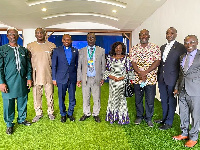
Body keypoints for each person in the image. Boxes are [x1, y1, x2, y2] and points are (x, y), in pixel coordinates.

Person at [0, 27, 32, 135]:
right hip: (8, 81)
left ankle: (22, 119)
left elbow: (28, 66)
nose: (13, 36)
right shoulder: (2, 49)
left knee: (23, 100)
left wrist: (29, 78)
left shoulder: (23, 50)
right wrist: (1, 82)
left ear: (18, 36)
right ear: (7, 36)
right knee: (9, 104)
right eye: (10, 34)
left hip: (22, 81)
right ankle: (9, 124)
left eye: (15, 34)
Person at [156, 27, 186, 130]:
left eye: (172, 33)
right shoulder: (162, 47)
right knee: (163, 99)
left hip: (173, 79)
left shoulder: (181, 47)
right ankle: (164, 118)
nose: (169, 35)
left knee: (171, 100)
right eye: (167, 33)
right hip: (161, 78)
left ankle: (169, 122)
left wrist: (179, 82)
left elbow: (182, 66)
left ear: (176, 34)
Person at [129, 29, 161, 127]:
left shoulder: (155, 47)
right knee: (138, 99)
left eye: (146, 34)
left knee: (150, 99)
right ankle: (139, 116)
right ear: (139, 36)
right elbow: (133, 62)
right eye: (142, 35)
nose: (144, 36)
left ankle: (148, 118)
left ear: (148, 36)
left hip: (150, 78)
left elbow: (157, 61)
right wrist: (139, 72)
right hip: (137, 78)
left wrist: (145, 72)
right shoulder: (134, 48)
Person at [173, 35, 200, 148]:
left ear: (197, 42)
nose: (189, 45)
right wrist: (176, 87)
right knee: (183, 113)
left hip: (195, 90)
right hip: (182, 89)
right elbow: (181, 74)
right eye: (186, 43)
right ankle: (184, 133)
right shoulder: (182, 56)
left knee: (195, 114)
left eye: (191, 42)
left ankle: (193, 137)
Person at [27, 28, 56, 122]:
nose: (39, 34)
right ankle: (38, 113)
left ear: (45, 34)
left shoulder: (51, 46)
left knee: (50, 95)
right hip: (35, 75)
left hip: (48, 74)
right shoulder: (30, 46)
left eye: (41, 32)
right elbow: (27, 62)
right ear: (35, 35)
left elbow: (55, 62)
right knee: (36, 95)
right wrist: (29, 77)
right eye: (37, 33)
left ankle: (50, 112)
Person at [77, 32, 105, 123]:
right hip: (85, 78)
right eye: (89, 38)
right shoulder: (81, 51)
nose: (90, 39)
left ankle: (96, 114)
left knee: (96, 97)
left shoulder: (101, 50)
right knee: (86, 97)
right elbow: (79, 66)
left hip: (96, 77)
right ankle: (86, 113)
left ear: (95, 39)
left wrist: (103, 77)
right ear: (87, 39)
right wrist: (78, 79)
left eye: (92, 38)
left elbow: (103, 65)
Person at [103, 42, 132, 124]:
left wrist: (121, 78)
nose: (118, 49)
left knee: (121, 100)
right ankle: (112, 117)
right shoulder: (109, 58)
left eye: (120, 48)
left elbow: (130, 72)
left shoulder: (126, 59)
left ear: (122, 49)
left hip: (122, 83)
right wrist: (113, 77)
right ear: (114, 49)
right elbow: (107, 71)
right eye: (116, 48)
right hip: (113, 83)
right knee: (112, 99)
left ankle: (122, 118)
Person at [52, 34, 78, 122]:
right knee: (61, 97)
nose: (67, 41)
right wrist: (54, 78)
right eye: (65, 40)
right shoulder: (56, 50)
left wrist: (78, 78)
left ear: (71, 41)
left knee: (72, 97)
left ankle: (70, 113)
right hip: (60, 78)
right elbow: (54, 66)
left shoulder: (75, 51)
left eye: (68, 40)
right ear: (62, 40)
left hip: (72, 78)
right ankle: (63, 114)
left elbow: (77, 65)